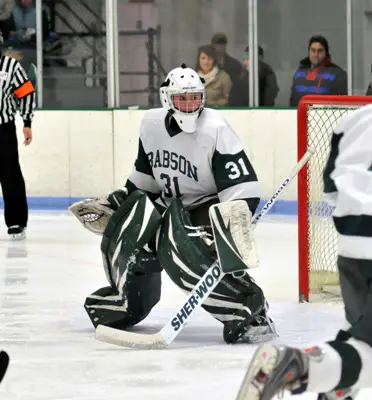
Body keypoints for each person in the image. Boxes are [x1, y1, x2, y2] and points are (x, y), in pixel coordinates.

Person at [70, 63, 277, 345]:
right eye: (183, 98)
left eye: (195, 98)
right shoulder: (151, 125)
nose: (190, 105)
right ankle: (126, 305)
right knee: (132, 234)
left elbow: (244, 186)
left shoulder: (215, 128)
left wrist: (231, 224)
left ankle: (249, 310)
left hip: (206, 206)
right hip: (170, 205)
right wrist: (120, 203)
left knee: (180, 247)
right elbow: (144, 182)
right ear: (168, 99)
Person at [236, 104, 372, 400]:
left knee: (358, 334)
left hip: (353, 252)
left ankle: (333, 389)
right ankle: (297, 365)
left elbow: (333, 192)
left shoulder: (354, 121)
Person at [0, 47, 35, 239]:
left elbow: (26, 92)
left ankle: (16, 220)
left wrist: (27, 122)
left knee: (10, 174)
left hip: (3, 128)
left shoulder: (10, 66)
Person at [290, 35, 347, 107]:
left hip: (325, 116)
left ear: (326, 53)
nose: (316, 54)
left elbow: (341, 105)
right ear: (309, 52)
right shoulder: (300, 73)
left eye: (320, 51)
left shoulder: (337, 74)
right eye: (313, 50)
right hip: (299, 116)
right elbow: (293, 100)